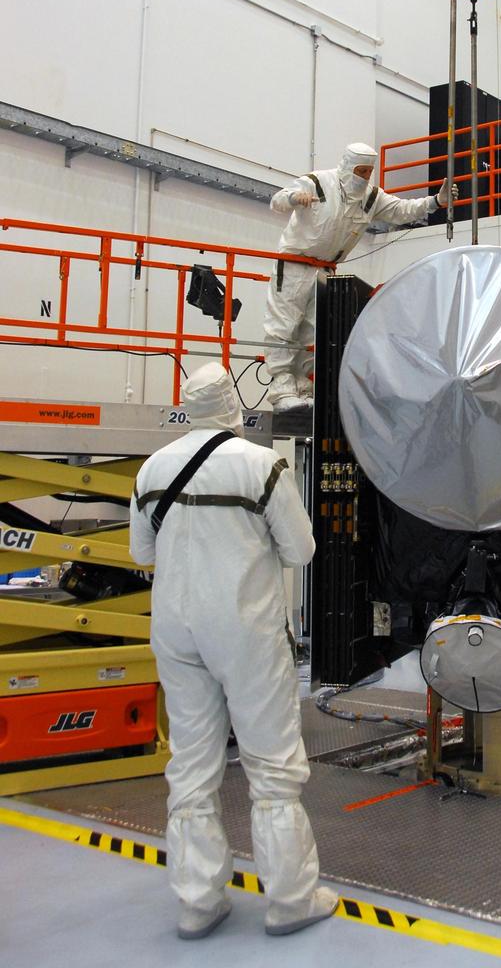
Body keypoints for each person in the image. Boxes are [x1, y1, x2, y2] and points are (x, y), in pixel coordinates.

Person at [129, 362, 337, 940]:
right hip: (244, 631)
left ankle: (198, 901)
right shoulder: (261, 465)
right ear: (231, 406)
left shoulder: (152, 469)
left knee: (192, 765)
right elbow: (300, 549)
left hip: (176, 630)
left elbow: (143, 554)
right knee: (271, 763)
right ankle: (291, 899)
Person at [264, 141, 456, 412]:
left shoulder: (371, 197)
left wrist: (436, 202)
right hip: (294, 264)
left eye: (368, 172)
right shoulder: (318, 183)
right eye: (360, 170)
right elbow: (278, 199)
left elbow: (402, 210)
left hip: (325, 270)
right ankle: (281, 387)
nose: (364, 177)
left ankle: (304, 386)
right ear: (347, 165)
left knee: (313, 332)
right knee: (284, 325)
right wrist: (295, 198)